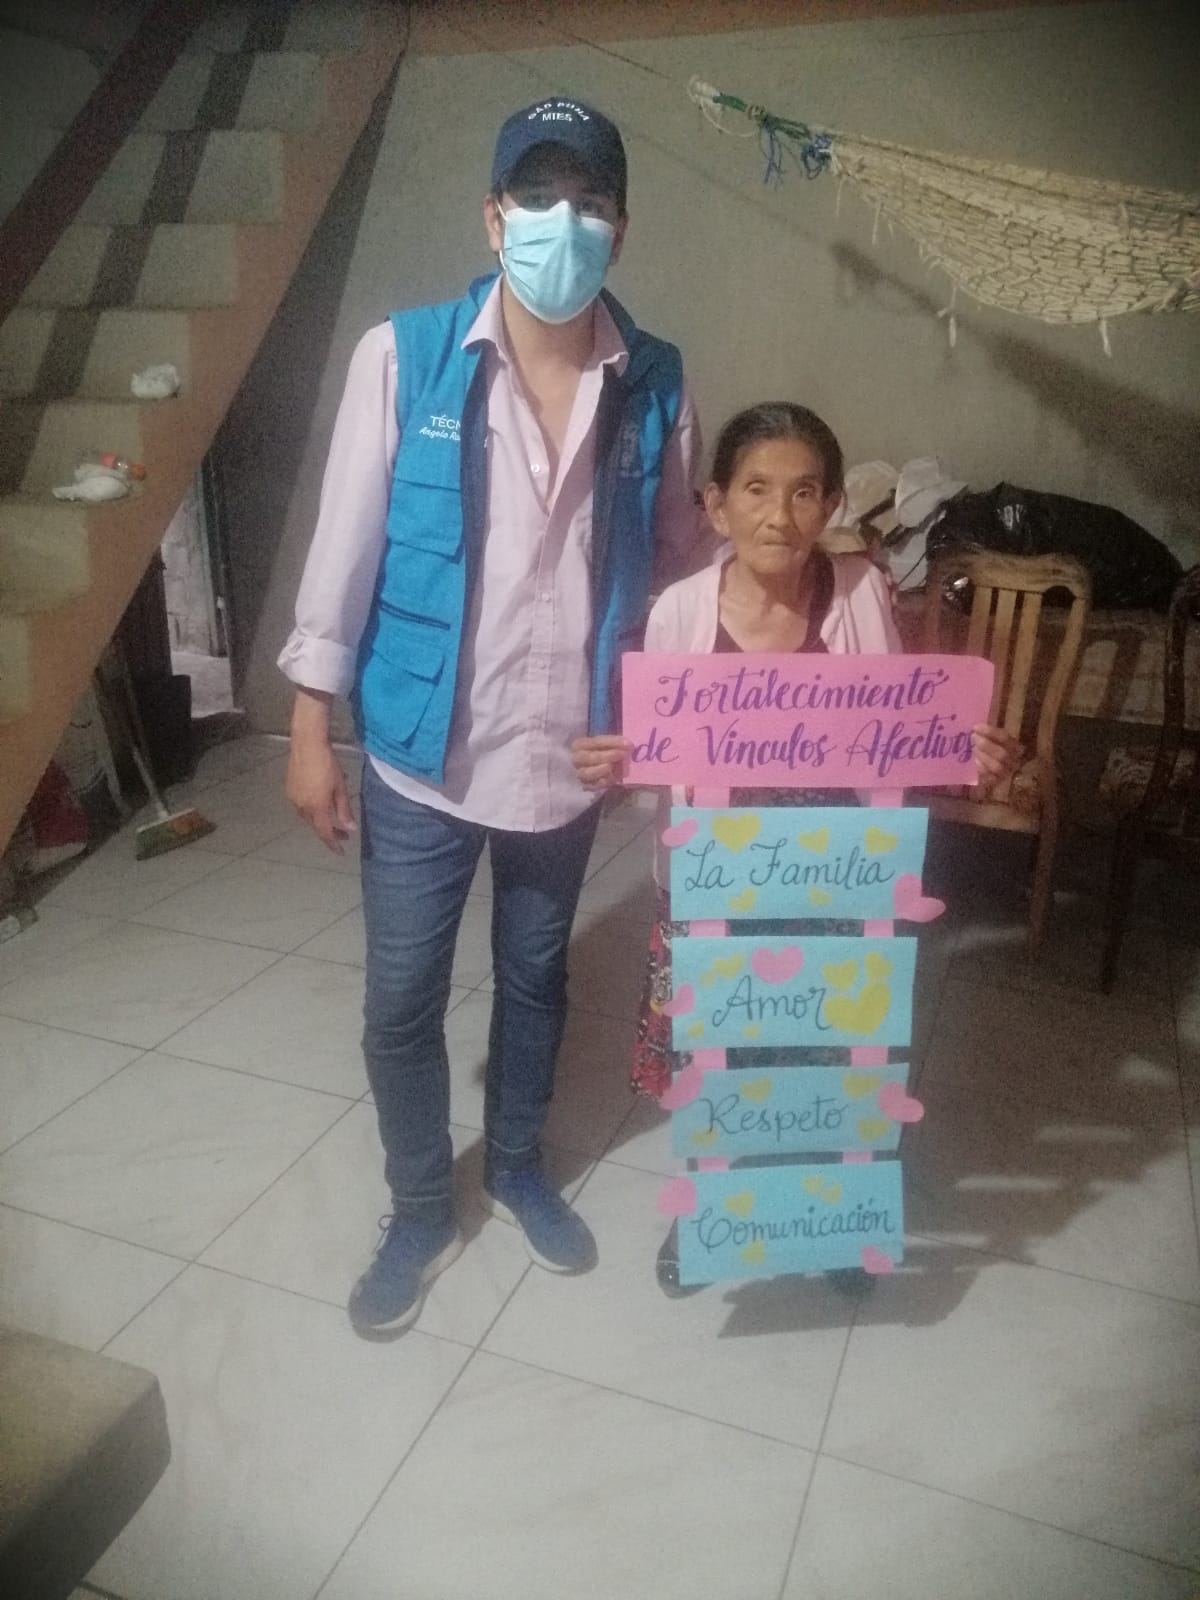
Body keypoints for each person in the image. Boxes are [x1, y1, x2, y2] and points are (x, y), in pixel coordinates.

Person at [280, 98, 707, 1336]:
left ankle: (516, 1164)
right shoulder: (405, 356)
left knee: (535, 980)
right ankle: (422, 1205)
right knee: (400, 1003)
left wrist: (786, 600)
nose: (561, 223)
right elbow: (346, 545)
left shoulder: (655, 380)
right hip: (424, 753)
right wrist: (308, 725)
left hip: (566, 759)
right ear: (492, 214)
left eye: (590, 202)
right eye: (538, 196)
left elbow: (680, 561)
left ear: (620, 229)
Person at [571, 401, 1022, 1290]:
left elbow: (900, 727)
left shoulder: (861, 596)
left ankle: (826, 1221)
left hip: (835, 881)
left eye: (805, 491)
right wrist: (616, 763)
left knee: (827, 1059)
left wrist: (964, 747)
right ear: (716, 505)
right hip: (716, 885)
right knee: (721, 1058)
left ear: (831, 506)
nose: (780, 514)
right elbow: (657, 753)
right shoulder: (679, 612)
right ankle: (712, 1216)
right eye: (756, 489)